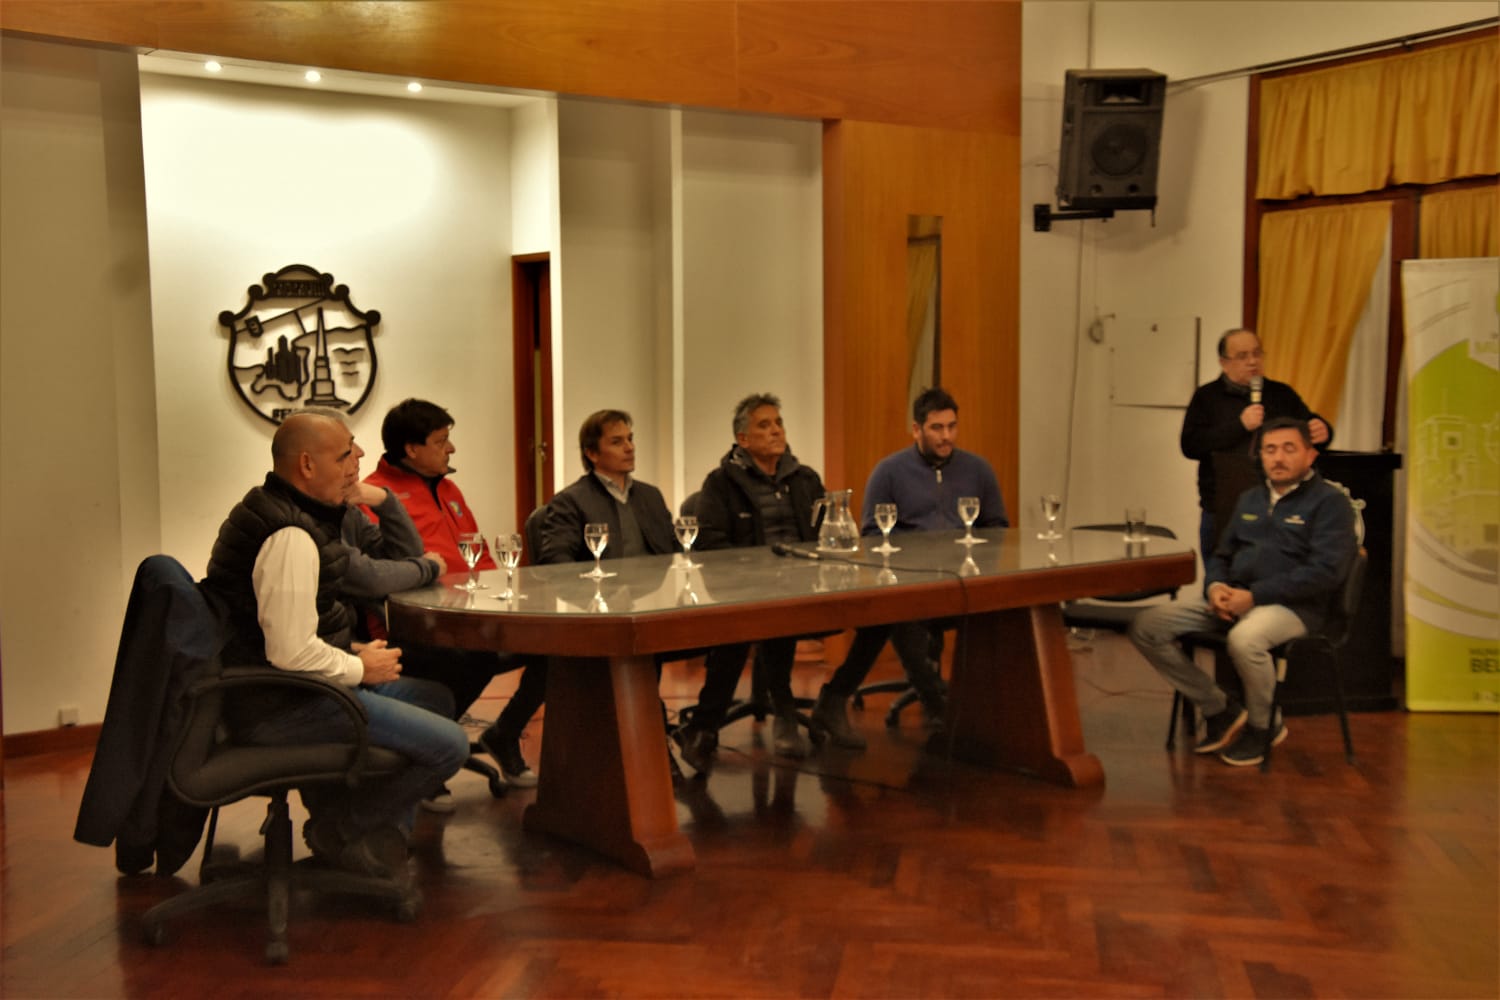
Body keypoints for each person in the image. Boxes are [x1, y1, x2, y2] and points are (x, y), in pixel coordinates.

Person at [200, 412, 470, 878]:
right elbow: (289, 652)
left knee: (436, 698)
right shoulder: (290, 535)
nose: (359, 458)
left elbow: (284, 630)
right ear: (307, 465)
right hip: (283, 704)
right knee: (451, 745)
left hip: (285, 686)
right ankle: (344, 829)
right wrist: (359, 668)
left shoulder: (293, 511)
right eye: (346, 453)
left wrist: (352, 653)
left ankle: (375, 834)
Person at [1129, 417, 1357, 766]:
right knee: (1147, 626)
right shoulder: (1250, 499)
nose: (1278, 458)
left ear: (1310, 455)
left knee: (1245, 640)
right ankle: (1219, 708)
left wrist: (1254, 596)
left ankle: (1263, 725)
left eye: (1288, 449)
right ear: (1260, 456)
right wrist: (1216, 587)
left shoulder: (1330, 503)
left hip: (1296, 608)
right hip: (1235, 599)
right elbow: (1222, 554)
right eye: (1270, 450)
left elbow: (1325, 572)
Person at [810, 387, 1009, 748]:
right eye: (937, 428)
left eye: (952, 426)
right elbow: (872, 535)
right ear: (916, 429)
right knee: (892, 614)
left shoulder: (978, 470)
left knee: (1008, 612)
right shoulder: (889, 472)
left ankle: (987, 706)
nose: (946, 436)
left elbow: (997, 528)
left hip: (965, 580)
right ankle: (938, 705)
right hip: (909, 581)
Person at [362, 398, 540, 788]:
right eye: (441, 441)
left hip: (472, 621)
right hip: (413, 630)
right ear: (412, 449)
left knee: (551, 648)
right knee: (472, 660)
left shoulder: (449, 489)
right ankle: (428, 753)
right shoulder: (374, 497)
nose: (451, 448)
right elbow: (379, 576)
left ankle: (504, 733)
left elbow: (481, 559)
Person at [674, 392, 826, 771]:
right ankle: (708, 728)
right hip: (742, 587)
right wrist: (758, 572)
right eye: (764, 425)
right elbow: (710, 544)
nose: (776, 431)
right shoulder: (720, 484)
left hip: (801, 584)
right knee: (744, 626)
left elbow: (825, 534)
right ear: (742, 439)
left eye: (779, 423)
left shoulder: (805, 479)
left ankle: (817, 706)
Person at [1181, 327, 1334, 561]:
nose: (1252, 362)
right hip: (1223, 508)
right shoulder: (1207, 396)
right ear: (1224, 363)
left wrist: (1324, 431)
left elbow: (1308, 430)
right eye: (1243, 356)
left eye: (1257, 353)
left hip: (1279, 509)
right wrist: (1240, 425)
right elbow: (1191, 445)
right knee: (1222, 576)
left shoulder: (1281, 394)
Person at [538, 409, 676, 564]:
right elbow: (556, 559)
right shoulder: (570, 501)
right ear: (592, 454)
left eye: (630, 439)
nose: (630, 448)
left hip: (656, 579)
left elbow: (676, 548)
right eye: (617, 442)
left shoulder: (651, 495)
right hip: (602, 579)